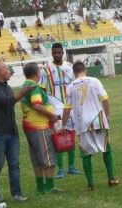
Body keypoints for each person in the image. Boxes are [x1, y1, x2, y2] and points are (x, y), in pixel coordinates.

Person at [59, 61, 119, 190]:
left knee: (85, 153)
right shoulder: (94, 81)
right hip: (98, 119)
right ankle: (112, 178)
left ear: (74, 73)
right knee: (106, 148)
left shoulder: (70, 87)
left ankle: (91, 184)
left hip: (82, 122)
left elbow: (67, 110)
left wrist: (63, 125)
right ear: (85, 70)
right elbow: (105, 99)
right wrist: (107, 115)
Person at [0, 61, 36, 202]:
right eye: (7, 69)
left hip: (12, 132)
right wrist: (24, 92)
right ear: (0, 72)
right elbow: (8, 101)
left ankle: (16, 194)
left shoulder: (7, 87)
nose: (9, 71)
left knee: (14, 164)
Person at [20, 62, 64, 195]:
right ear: (37, 73)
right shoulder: (33, 86)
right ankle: (49, 186)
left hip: (29, 125)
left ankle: (40, 187)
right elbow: (37, 105)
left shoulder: (24, 85)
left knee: (36, 157)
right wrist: (52, 116)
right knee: (48, 155)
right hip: (39, 126)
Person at [40, 43, 81, 178]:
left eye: (59, 52)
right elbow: (42, 89)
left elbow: (76, 84)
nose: (56, 55)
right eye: (54, 53)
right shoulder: (46, 69)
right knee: (59, 137)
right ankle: (61, 169)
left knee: (71, 135)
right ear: (52, 53)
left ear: (63, 53)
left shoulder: (70, 67)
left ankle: (71, 166)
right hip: (56, 108)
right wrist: (47, 107)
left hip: (70, 106)